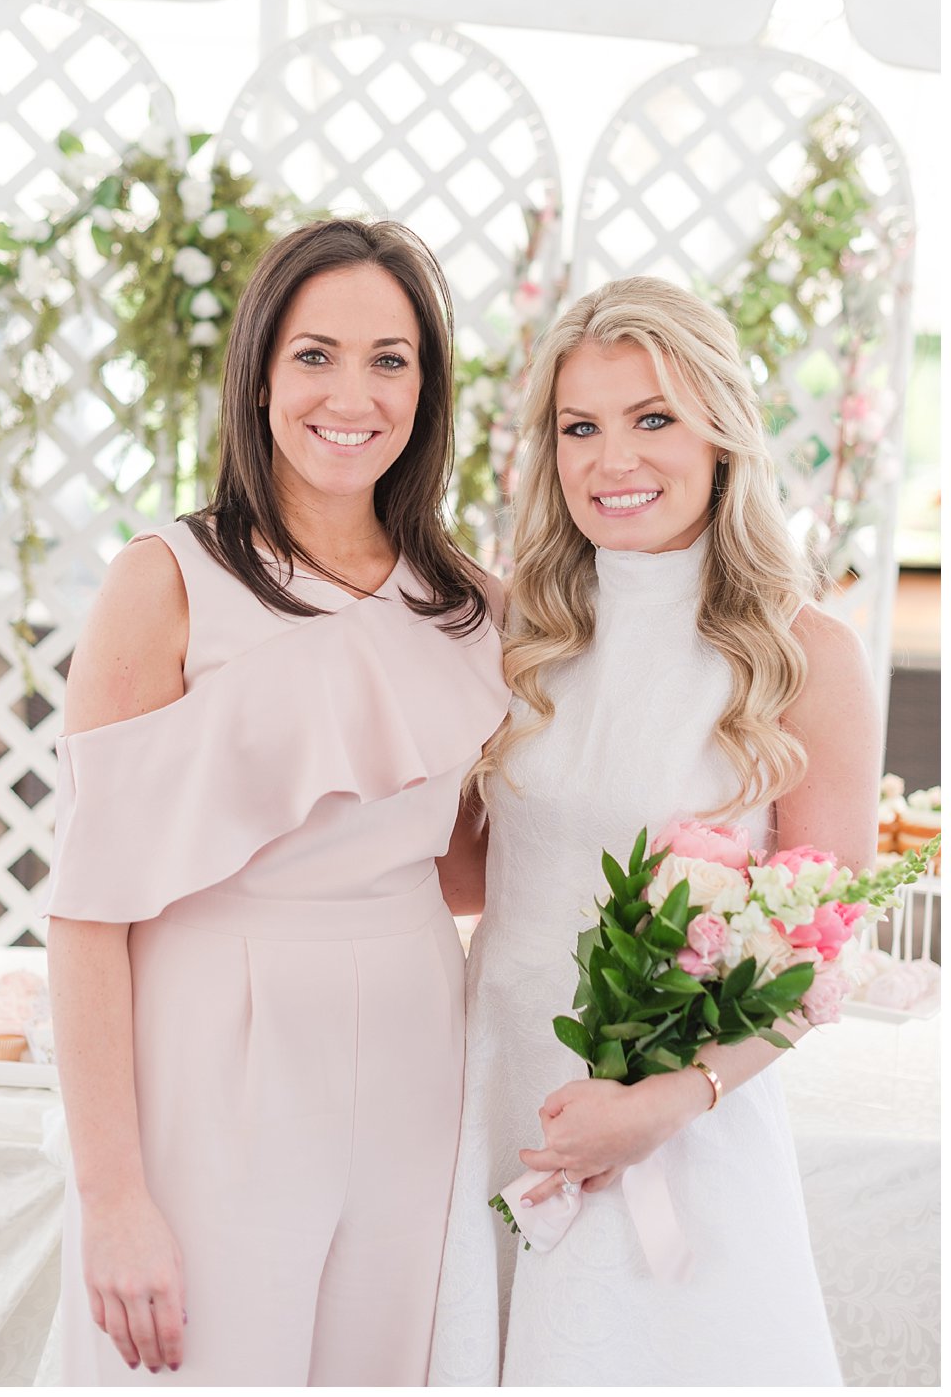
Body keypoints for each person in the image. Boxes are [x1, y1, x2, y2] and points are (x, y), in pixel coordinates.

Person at [45, 218, 508, 1384]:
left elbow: (466, 866)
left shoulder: (472, 605)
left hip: (415, 1042)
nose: (350, 391)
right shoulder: (165, 582)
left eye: (388, 358)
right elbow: (86, 911)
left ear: (426, 387)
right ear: (258, 377)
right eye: (314, 354)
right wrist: (111, 1198)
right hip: (213, 1044)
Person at [430, 276, 873, 1385]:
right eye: (578, 427)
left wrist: (663, 1102)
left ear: (719, 431)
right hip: (498, 1089)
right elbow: (466, 873)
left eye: (650, 418)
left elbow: (825, 944)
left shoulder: (804, 654)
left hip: (687, 1117)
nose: (609, 460)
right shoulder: (509, 633)